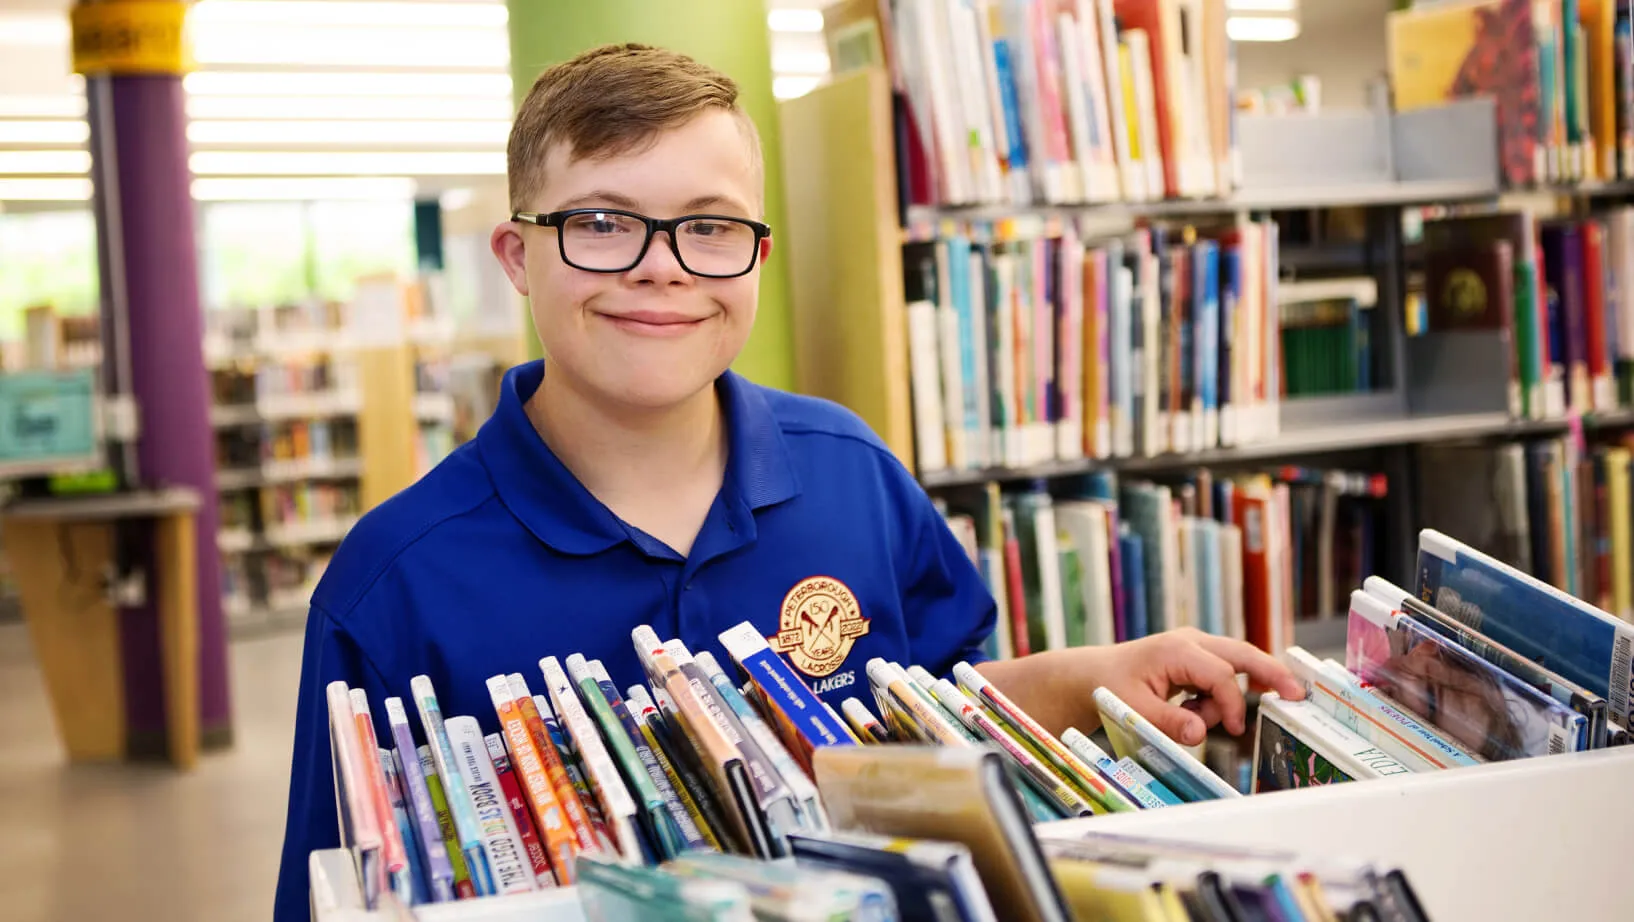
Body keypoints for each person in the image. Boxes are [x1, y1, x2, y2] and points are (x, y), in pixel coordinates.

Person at [272, 42, 1304, 918]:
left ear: (757, 254)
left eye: (709, 225)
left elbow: (924, 722)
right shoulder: (391, 584)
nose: (660, 266)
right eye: (599, 223)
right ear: (516, 254)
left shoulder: (852, 476)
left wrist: (1079, 683)